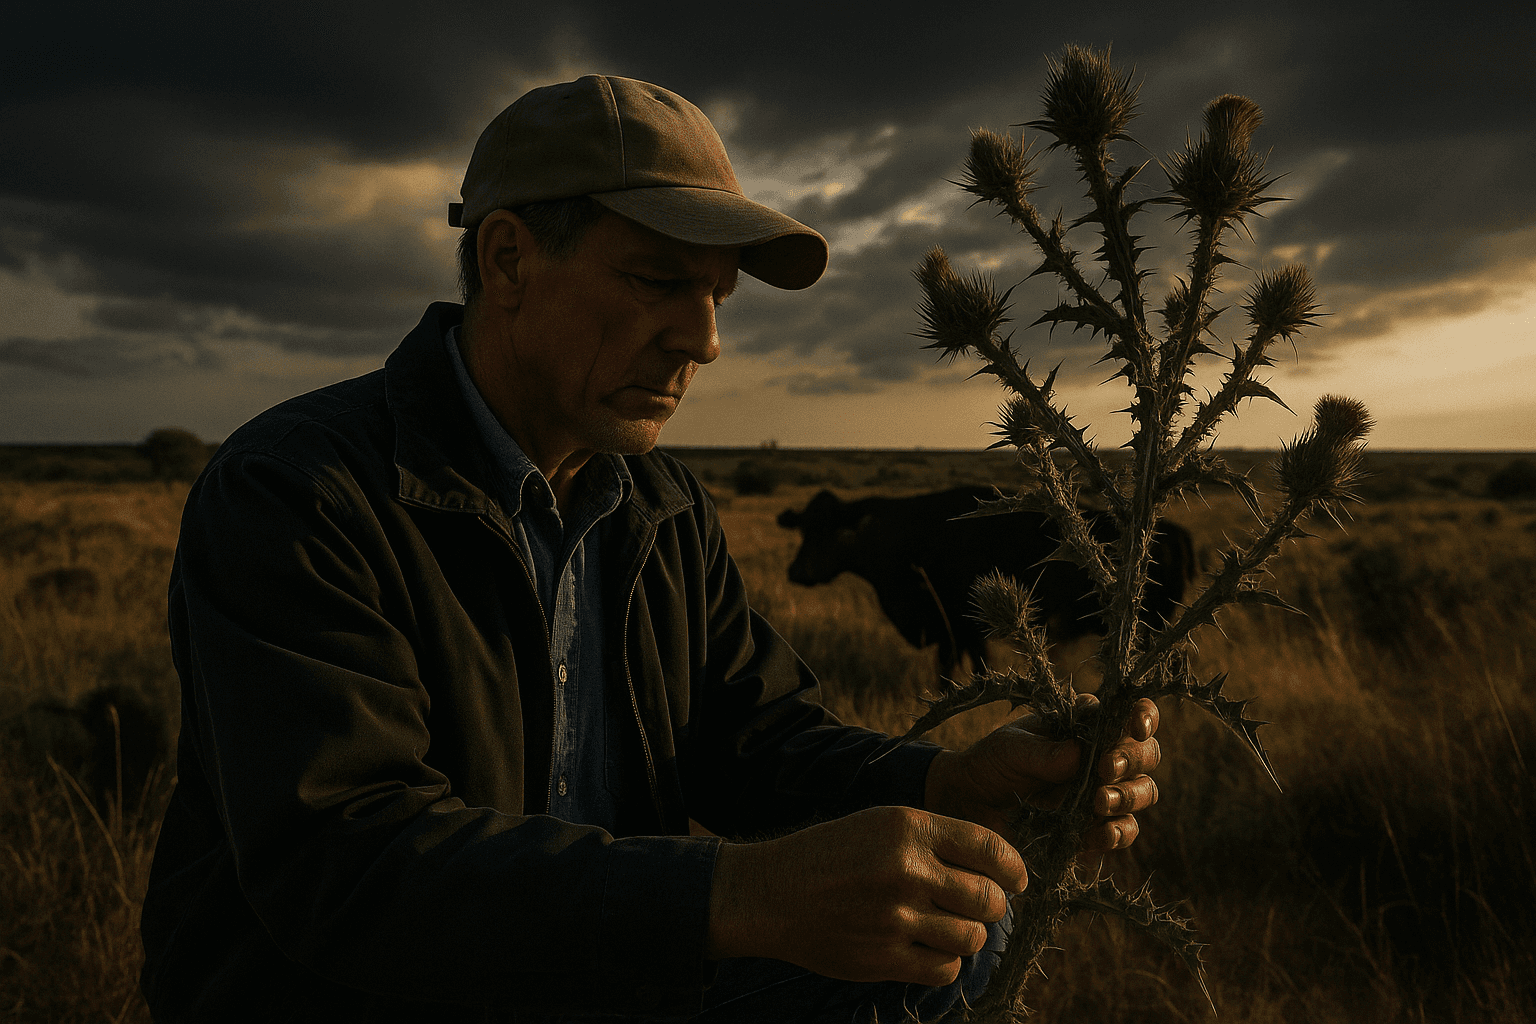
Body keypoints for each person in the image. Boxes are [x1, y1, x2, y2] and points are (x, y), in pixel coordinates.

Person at [139, 75, 1160, 1023]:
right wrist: (738, 892)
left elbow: (754, 739)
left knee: (941, 951)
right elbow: (348, 863)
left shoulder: (660, 503)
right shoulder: (299, 490)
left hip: (611, 979)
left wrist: (946, 782)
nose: (703, 339)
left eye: (718, 295)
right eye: (657, 281)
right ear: (508, 261)